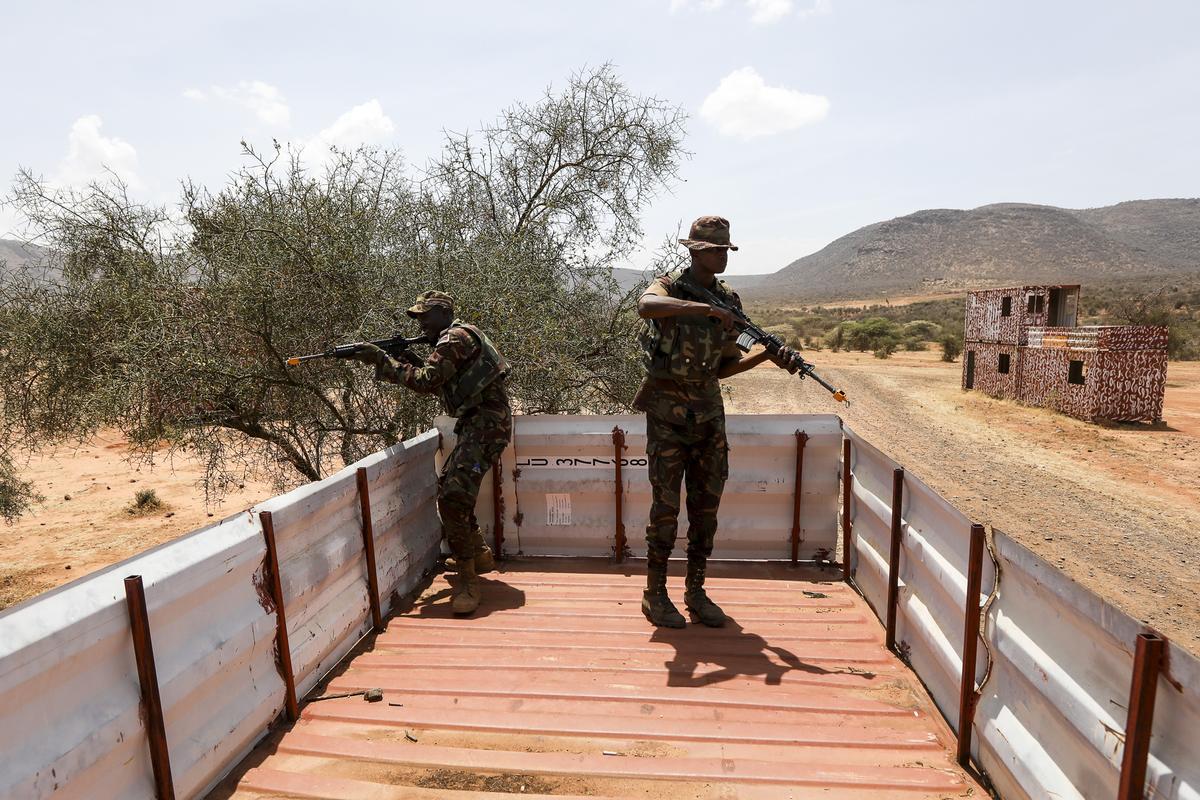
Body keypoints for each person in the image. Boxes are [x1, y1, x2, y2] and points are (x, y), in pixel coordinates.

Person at [635, 216, 801, 628]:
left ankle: (695, 591)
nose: (722, 255)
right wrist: (703, 309)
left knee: (706, 509)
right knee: (666, 509)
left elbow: (724, 367)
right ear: (694, 250)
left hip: (708, 416)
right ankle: (654, 594)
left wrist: (767, 356)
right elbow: (645, 306)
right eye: (714, 249)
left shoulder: (730, 300)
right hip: (668, 416)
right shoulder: (671, 287)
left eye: (726, 249)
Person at [351, 290, 511, 615]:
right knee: (451, 489)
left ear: (441, 313)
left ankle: (468, 581)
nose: (421, 324)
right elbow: (441, 380)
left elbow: (427, 382)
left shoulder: (452, 338)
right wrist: (408, 359)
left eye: (425, 317)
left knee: (453, 497)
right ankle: (478, 552)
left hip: (485, 423)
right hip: (480, 422)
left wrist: (382, 360)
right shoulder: (457, 336)